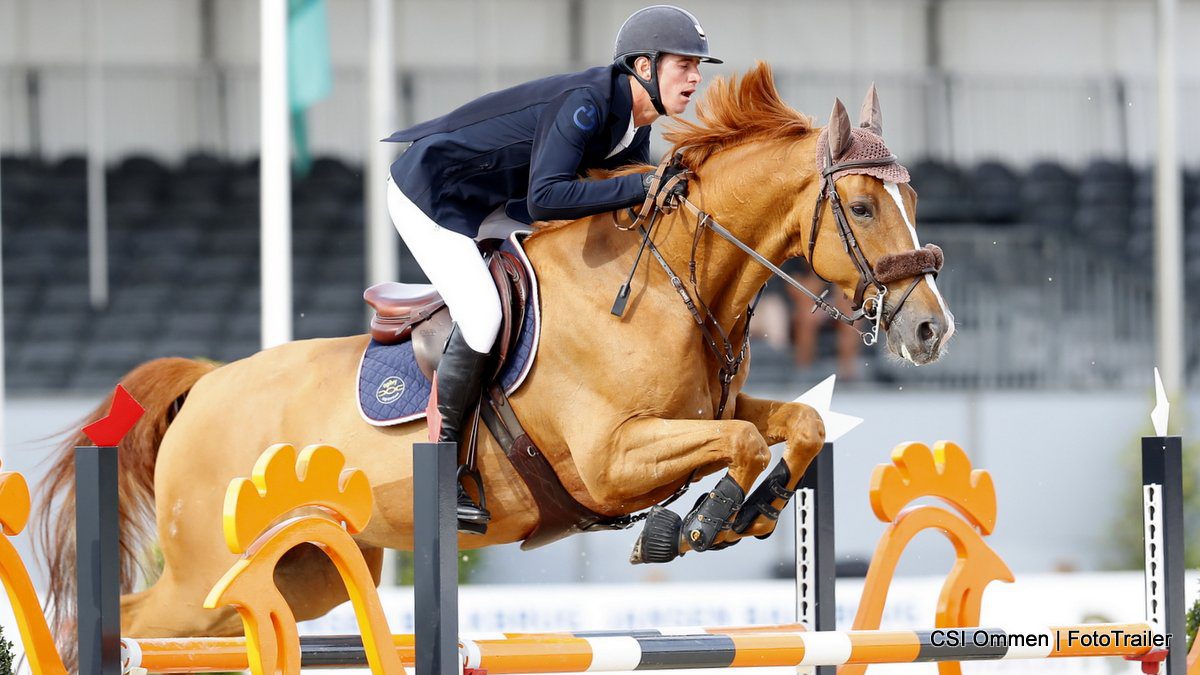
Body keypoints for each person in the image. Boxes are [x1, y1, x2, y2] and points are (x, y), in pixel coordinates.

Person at [383, 5, 721, 532]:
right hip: (434, 196)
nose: (696, 77)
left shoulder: (633, 126)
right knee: (482, 314)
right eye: (685, 64)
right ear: (645, 67)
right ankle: (439, 472)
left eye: (699, 66)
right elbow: (546, 198)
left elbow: (614, 199)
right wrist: (643, 183)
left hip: (493, 206)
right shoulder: (587, 103)